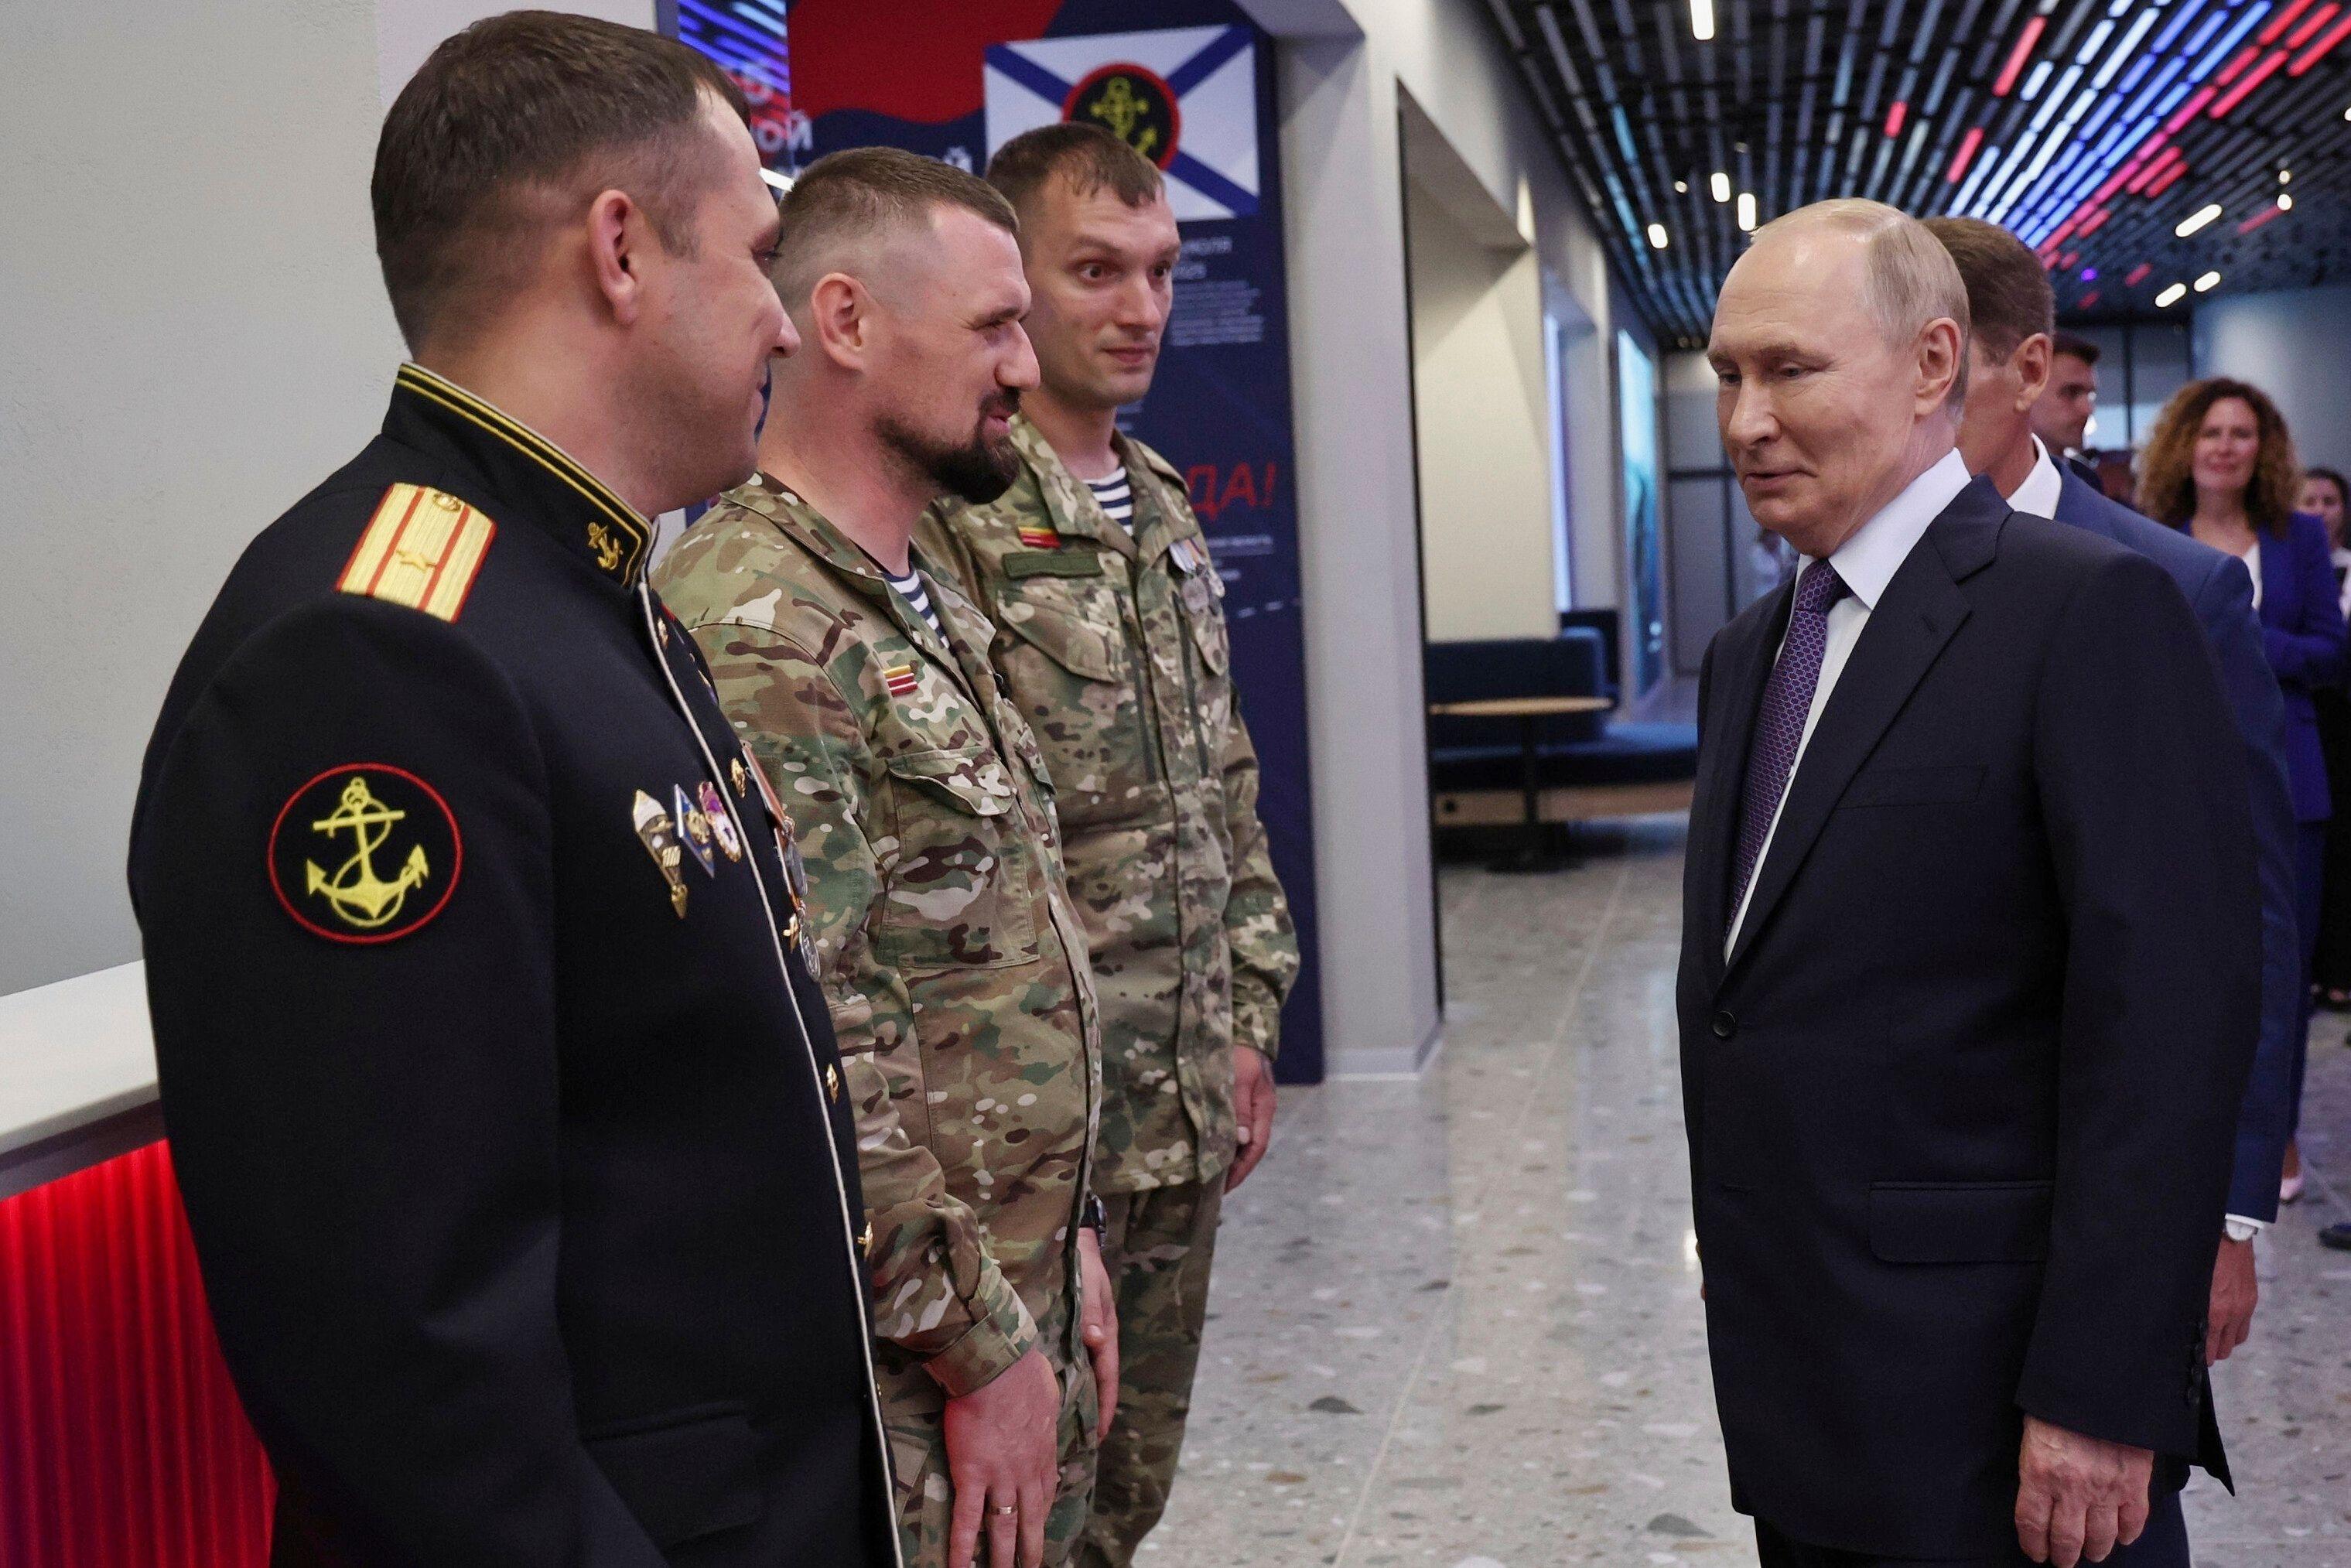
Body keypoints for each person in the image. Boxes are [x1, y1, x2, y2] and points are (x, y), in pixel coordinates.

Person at [125, 15, 893, 1566]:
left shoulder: (579, 591)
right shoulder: (378, 648)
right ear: (620, 250)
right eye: (754, 257)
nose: (786, 325)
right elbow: (404, 1357)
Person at [1683, 199, 2257, 1568]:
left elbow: (2165, 1028)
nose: (1745, 420)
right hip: (1806, 1393)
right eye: (1725, 377)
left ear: (1934, 365)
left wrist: (2103, 1392)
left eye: (1788, 370)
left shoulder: (2085, 612)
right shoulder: (1751, 650)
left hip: (2008, 1418)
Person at [651, 148, 1108, 1568]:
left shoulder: (909, 593)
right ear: (844, 322)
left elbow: (981, 953)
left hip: (1007, 1287)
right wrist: (978, 1345)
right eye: (991, 327)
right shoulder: (755, 621)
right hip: (905, 1369)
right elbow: (823, 1041)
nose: (1025, 369)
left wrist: (1064, 1223)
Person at [911, 124, 1301, 1568]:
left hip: (1178, 1100)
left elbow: (1224, 785)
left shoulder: (1169, 512)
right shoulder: (955, 525)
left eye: (1159, 270)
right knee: (1024, 1511)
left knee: (1126, 1487)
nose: (1139, 308)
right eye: (1093, 272)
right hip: (1034, 1136)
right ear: (1012, 285)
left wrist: (1247, 1012)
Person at [1926, 215, 2298, 1378]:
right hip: (1919, 1201)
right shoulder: (1839, 588)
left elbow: (2247, 919)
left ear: (2025, 370)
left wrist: (2227, 1208)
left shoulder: (2169, 590)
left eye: (1940, 372)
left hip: (2107, 1172)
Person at [2140, 381, 2347, 1204]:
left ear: (2265, 449)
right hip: (2185, 769)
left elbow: (2332, 652)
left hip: (2294, 779)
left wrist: (2236, 626)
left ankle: (2279, 1130)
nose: (2226, 446)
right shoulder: (2153, 536)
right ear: (2184, 444)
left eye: (2243, 433)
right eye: (2211, 432)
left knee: (2284, 972)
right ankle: (2198, 1123)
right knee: (2189, 962)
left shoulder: (2296, 539)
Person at [2301, 468, 2351, 1010]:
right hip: (2304, 718)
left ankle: (2339, 967)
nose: (2319, 509)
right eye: (2308, 500)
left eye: (2329, 500)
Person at [2032, 330, 2104, 488]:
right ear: (2028, 388)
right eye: (2071, 392)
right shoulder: (1987, 485)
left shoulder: (2088, 482)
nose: (2088, 409)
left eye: (2090, 395)